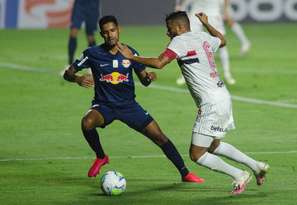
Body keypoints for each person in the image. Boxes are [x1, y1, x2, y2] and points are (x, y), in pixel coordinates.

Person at [117, 11, 269, 195]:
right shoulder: (203, 36)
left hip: (211, 102)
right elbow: (223, 40)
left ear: (180, 27)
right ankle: (257, 166)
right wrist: (206, 24)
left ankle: (238, 174)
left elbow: (159, 63)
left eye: (169, 28)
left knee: (196, 154)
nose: (168, 33)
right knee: (213, 145)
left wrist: (130, 57)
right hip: (221, 95)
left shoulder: (179, 41)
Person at [62, 15, 203, 183]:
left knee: (160, 137)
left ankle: (185, 173)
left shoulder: (130, 53)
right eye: (106, 32)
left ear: (118, 30)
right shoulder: (92, 53)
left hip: (129, 106)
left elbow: (144, 80)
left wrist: (149, 77)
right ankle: (101, 157)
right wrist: (77, 79)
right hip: (104, 106)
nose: (110, 35)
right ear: (101, 34)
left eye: (113, 30)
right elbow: (68, 73)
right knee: (86, 123)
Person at [175, 0, 248, 85]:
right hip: (196, 12)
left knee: (221, 45)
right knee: (190, 44)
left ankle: (227, 74)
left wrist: (225, 11)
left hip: (213, 13)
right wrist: (182, 7)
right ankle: (185, 75)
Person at [68, 0, 100, 65]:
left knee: (90, 36)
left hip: (92, 5)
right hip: (80, 4)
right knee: (73, 31)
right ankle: (70, 64)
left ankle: (93, 64)